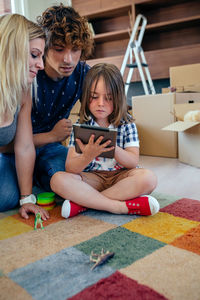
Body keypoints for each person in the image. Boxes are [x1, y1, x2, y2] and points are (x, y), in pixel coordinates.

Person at [50, 63, 160, 218]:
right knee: (57, 180)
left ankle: (84, 203)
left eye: (108, 98)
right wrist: (87, 155)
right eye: (94, 97)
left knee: (148, 178)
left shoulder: (127, 125)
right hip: (92, 178)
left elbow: (132, 162)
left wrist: (113, 148)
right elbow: (70, 168)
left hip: (121, 177)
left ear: (118, 98)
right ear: (86, 96)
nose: (100, 103)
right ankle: (119, 206)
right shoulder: (81, 127)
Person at [31, 4, 94, 196]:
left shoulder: (83, 73)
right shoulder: (30, 71)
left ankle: (42, 179)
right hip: (15, 151)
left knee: (83, 173)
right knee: (5, 196)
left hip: (52, 149)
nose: (68, 59)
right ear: (44, 47)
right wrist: (52, 135)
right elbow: (7, 143)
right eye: (59, 49)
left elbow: (101, 116)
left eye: (75, 50)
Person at [0, 13, 49, 220]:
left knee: (10, 195)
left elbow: (25, 146)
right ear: (13, 50)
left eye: (42, 57)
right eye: (35, 55)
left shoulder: (23, 90)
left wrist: (26, 198)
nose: (41, 65)